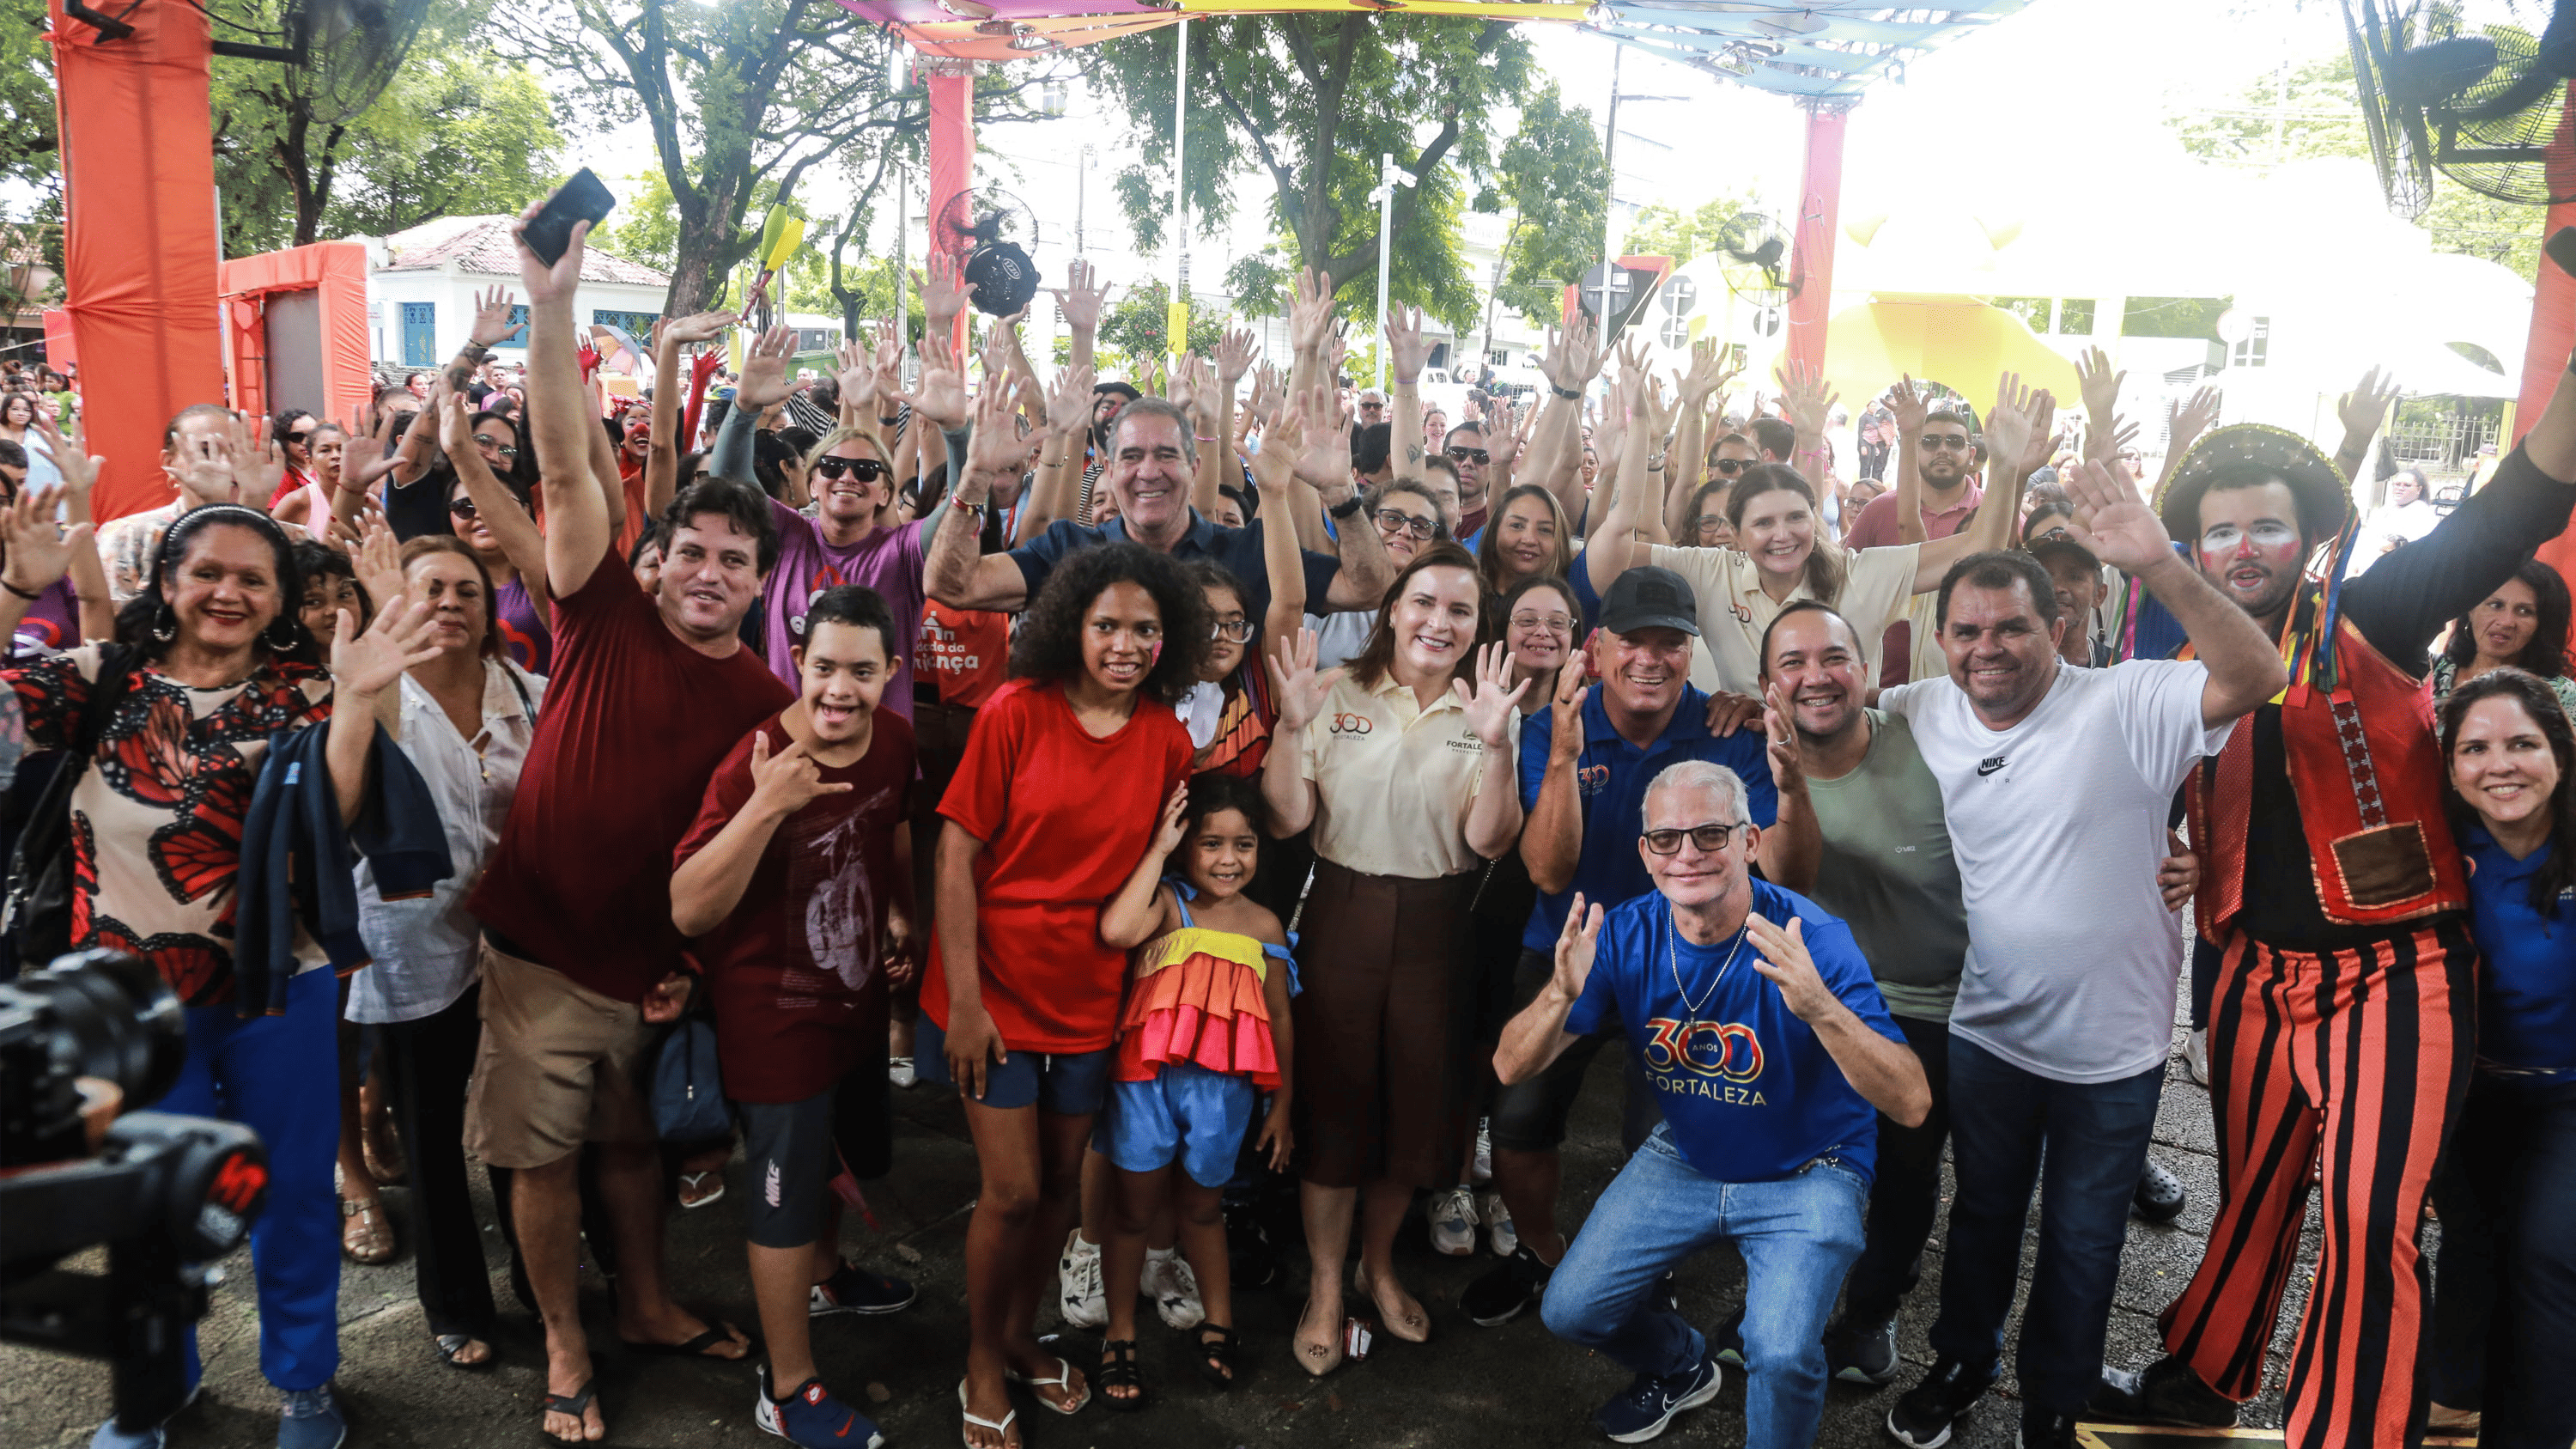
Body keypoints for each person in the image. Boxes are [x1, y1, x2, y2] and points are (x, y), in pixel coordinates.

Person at [2110, 369, 2576, 1449]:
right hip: (2248, 974)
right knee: (2253, 1194)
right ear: (2194, 550)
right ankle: (2201, 1377)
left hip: (2396, 975)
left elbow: (2519, 501)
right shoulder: (2179, 660)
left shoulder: (2376, 612)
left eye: (2266, 525)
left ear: (2308, 535)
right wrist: (2183, 852)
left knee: (2369, 1218)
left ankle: (2350, 1431)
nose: (2243, 547)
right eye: (2220, 531)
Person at [0, 492, 441, 1449]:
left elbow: (336, 818)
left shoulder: (306, 687)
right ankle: (155, 1392)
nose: (227, 592)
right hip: (127, 1007)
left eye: (253, 577)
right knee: (145, 1208)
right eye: (206, 572)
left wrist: (360, 697)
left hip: (279, 989)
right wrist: (13, 592)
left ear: (280, 596)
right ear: (167, 581)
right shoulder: (100, 677)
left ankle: (305, 1385)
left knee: (294, 1194)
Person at [1882, 460, 2286, 1449]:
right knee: (1981, 1215)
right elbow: (1824, 719)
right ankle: (1961, 1363)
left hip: (2114, 1048)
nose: (1988, 648)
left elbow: (2258, 676)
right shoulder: (1922, 710)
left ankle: (2055, 1401)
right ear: (1942, 639)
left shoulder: (2128, 700)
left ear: (2058, 624)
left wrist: (2163, 564)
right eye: (1967, 631)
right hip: (1989, 1032)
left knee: (2084, 1237)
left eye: (2011, 627)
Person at [461, 211, 780, 1446]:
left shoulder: (771, 704)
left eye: (734, 559)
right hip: (539, 955)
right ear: (661, 557)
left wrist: (688, 965)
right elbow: (563, 463)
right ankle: (564, 1338)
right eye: (692, 549)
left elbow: (746, 857)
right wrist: (551, 308)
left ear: (760, 581)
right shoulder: (600, 610)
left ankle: (644, 1303)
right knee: (542, 1159)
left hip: (651, 974)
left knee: (633, 1142)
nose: (708, 570)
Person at [1497, 760, 1929, 1447]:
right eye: (1665, 838)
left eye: (1709, 833)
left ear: (1750, 841)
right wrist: (1557, 994)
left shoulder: (1810, 937)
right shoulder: (1625, 934)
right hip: (1691, 1153)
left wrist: (1821, 1008)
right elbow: (1509, 1065)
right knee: (1571, 1309)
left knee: (1779, 1351)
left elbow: (1911, 1101)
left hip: (1810, 1167)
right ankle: (1681, 1365)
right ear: (1645, 853)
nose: (1687, 854)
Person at [1460, 565, 1803, 1330]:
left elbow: (1785, 869)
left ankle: (1650, 1269)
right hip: (1570, 952)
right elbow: (1549, 871)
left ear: (1691, 649)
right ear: (1598, 648)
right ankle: (1539, 1251)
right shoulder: (1555, 725)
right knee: (1518, 1116)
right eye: (1632, 641)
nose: (1650, 658)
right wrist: (1563, 756)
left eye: (1669, 642)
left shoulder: (1726, 730)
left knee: (1665, 1134)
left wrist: (1787, 771)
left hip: (1690, 963)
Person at [920, 543, 1202, 1449]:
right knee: (1010, 1191)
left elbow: (1157, 873)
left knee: (1054, 1196)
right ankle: (980, 1358)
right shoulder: (1016, 710)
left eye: (1145, 629)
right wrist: (966, 1003)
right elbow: (956, 854)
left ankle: (1017, 1333)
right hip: (994, 991)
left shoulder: (1167, 739)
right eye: (1106, 624)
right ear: (1070, 625)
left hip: (1089, 999)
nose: (1125, 644)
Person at [1261, 543, 1527, 1374]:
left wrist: (1499, 746)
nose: (1438, 622)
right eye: (1424, 602)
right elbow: (1286, 819)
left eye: (1459, 610)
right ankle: (1326, 1285)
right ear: (1393, 610)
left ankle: (1377, 1266)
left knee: (1412, 1113)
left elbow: (1490, 842)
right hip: (1341, 914)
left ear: (1478, 626)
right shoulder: (1335, 690)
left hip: (1439, 925)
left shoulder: (1486, 708)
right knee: (1336, 1109)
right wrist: (1290, 727)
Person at [671, 585, 920, 1449]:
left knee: (843, 1155)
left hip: (855, 999)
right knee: (781, 1196)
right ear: (797, 662)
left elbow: (894, 828)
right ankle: (786, 1388)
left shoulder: (895, 739)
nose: (840, 689)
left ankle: (826, 1274)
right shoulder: (755, 759)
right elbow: (687, 906)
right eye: (824, 668)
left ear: (891, 671)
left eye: (862, 671)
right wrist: (767, 803)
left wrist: (904, 914)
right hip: (772, 1020)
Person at [343, 533, 544, 1373]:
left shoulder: (527, 694)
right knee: (430, 1134)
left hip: (517, 947)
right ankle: (455, 1304)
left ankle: (541, 1282)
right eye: (431, 589)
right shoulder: (376, 693)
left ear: (490, 609)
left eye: (467, 590)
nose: (451, 603)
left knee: (516, 1127)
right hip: (413, 947)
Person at [1595, 372, 2055, 697]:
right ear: (1735, 532)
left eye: (1796, 518)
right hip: (1753, 765)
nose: (1783, 535)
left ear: (1815, 517)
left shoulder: (1863, 573)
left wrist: (2006, 468)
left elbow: (1979, 549)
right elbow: (1607, 559)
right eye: (1763, 523)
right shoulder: (1711, 570)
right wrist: (1637, 443)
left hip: (1851, 762)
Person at [1091, 772, 1296, 1408]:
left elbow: (1279, 1017)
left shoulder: (1265, 925)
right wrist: (1157, 849)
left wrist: (1283, 1104)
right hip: (1144, 1084)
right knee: (1132, 1212)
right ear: (1185, 845)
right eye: (1211, 843)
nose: (1228, 859)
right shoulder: (1164, 904)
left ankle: (1220, 1320)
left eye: (1244, 844)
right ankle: (1119, 1331)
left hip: (1224, 1096)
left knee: (1204, 1209)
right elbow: (1116, 929)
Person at [2422, 669, 2576, 1449]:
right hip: (2465, 1092)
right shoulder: (2435, 846)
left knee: (2544, 1258)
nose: (2500, 764)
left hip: (2567, 1099)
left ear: (2560, 754)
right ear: (2450, 767)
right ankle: (2455, 1391)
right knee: (2472, 1241)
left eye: (2522, 743)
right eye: (2475, 749)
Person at [927, 395, 1396, 631]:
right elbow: (952, 585)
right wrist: (974, 479)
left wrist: (1341, 495)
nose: (1148, 472)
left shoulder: (1249, 552)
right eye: (1131, 457)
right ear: (1110, 470)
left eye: (1166, 456)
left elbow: (1370, 589)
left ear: (1194, 469)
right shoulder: (1068, 551)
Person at [1304, 478, 1444, 669]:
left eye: (1422, 526)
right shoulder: (1331, 580)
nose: (1406, 532)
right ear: (1367, 523)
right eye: (1392, 518)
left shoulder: (1441, 612)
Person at [2428, 556, 2576, 716]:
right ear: (2471, 609)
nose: (2506, 622)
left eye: (2524, 611)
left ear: (2542, 624)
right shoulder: (2426, 673)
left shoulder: (2562, 696)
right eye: (2496, 605)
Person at [1474, 483, 1572, 603]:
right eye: (1517, 526)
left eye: (1544, 530)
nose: (1530, 540)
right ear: (1494, 531)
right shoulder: (1467, 592)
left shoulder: (1570, 597)